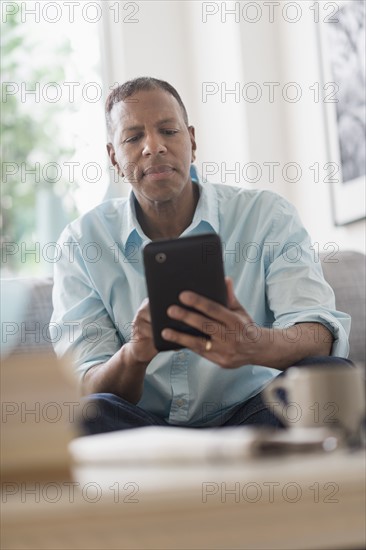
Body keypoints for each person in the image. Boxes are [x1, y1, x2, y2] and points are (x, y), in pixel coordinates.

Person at [50, 77, 351, 434]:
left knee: (331, 377)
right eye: (133, 137)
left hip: (257, 410)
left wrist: (253, 344)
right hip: (147, 427)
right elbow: (86, 383)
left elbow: (318, 333)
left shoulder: (267, 215)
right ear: (113, 157)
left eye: (168, 131)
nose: (154, 146)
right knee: (90, 412)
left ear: (191, 140)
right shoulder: (82, 242)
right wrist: (134, 355)